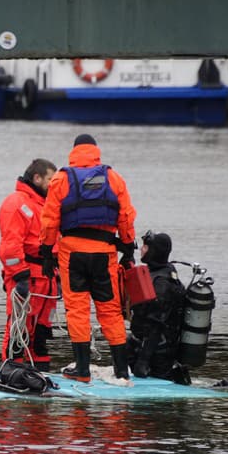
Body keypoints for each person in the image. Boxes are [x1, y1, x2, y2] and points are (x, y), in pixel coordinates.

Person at [40, 134, 137, 382]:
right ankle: (122, 371)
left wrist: (46, 251)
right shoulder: (113, 178)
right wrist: (127, 245)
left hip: (72, 253)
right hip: (105, 254)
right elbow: (126, 215)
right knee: (111, 311)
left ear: (73, 152)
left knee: (77, 311)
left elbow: (50, 219)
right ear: (96, 151)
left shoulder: (61, 178)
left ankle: (82, 371)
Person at [0, 158, 59, 369]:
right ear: (37, 178)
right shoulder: (17, 203)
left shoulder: (47, 205)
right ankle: (12, 370)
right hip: (27, 276)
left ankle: (40, 372)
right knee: (19, 328)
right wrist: (20, 275)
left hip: (46, 277)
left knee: (41, 332)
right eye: (51, 179)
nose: (54, 184)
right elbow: (10, 246)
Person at [127, 231, 191, 384]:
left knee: (156, 386)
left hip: (158, 352)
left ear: (154, 251)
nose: (141, 249)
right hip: (142, 344)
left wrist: (143, 360)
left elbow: (157, 324)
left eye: (145, 247)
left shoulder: (162, 283)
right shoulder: (153, 272)